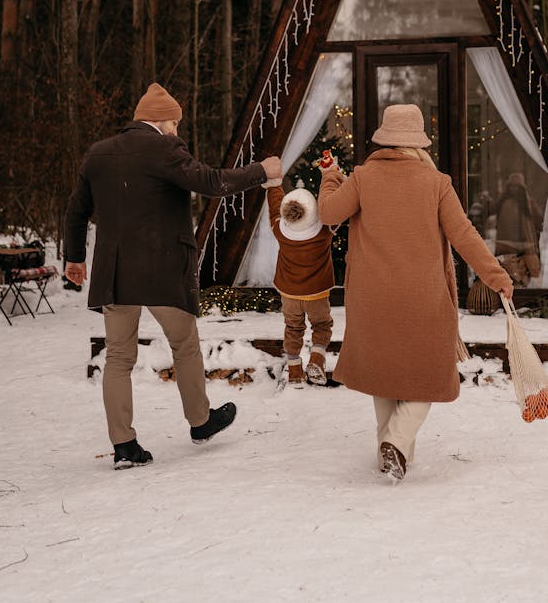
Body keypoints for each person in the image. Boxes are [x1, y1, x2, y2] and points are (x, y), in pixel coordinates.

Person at [64, 82, 282, 469]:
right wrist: (260, 172)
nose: (178, 130)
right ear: (161, 120)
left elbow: (77, 210)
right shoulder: (165, 148)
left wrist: (75, 258)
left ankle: (124, 446)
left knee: (117, 358)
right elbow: (212, 183)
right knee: (185, 347)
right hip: (163, 269)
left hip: (115, 274)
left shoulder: (98, 154)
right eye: (176, 123)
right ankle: (200, 422)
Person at [317, 103, 513, 481]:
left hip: (370, 297)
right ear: (419, 143)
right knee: (430, 371)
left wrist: (330, 177)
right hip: (423, 297)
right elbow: (465, 236)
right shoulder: (436, 183)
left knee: (383, 370)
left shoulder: (361, 177)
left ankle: (390, 450)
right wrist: (495, 275)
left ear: (384, 139)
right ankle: (398, 440)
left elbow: (328, 214)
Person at [267, 179, 336, 385]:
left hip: (289, 294)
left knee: (293, 328)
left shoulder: (279, 230)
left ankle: (295, 371)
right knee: (322, 326)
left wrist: (274, 182)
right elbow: (333, 203)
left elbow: (274, 201)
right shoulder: (325, 231)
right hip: (317, 294)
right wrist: (329, 174)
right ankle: (316, 359)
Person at [493, 171, 544, 285]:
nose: (514, 189)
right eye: (512, 186)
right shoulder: (504, 203)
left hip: (526, 245)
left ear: (521, 188)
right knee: (511, 275)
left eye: (517, 186)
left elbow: (539, 219)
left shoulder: (528, 203)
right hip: (509, 246)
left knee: (529, 273)